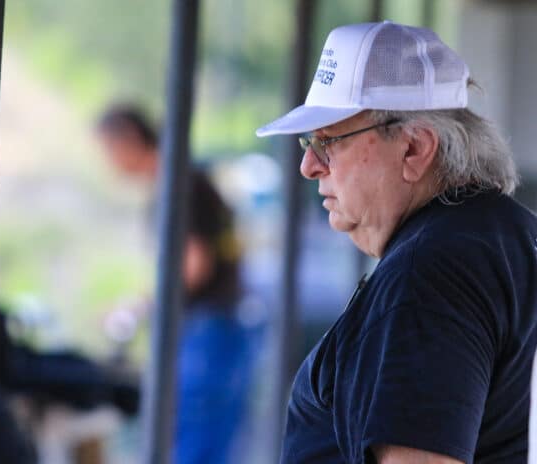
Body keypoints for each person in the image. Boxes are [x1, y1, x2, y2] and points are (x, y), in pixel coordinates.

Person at [256, 21, 537, 464]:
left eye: (328, 141)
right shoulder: (513, 236)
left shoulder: (430, 271)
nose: (309, 165)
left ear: (413, 150)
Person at [97, 105, 252, 463]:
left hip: (207, 328)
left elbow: (193, 263)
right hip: (219, 325)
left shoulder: (178, 186)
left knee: (190, 446)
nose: (109, 163)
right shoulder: (187, 180)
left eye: (109, 149)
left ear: (130, 141)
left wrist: (141, 306)